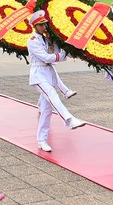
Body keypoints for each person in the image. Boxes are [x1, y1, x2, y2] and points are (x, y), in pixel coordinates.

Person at [27, 10, 85, 151]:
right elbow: (47, 57)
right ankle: (69, 119)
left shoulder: (48, 39)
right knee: (52, 95)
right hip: (39, 75)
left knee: (46, 111)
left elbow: (57, 52)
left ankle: (42, 140)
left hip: (49, 74)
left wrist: (71, 51)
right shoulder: (32, 41)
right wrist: (63, 55)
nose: (44, 27)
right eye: (41, 25)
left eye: (45, 24)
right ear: (35, 26)